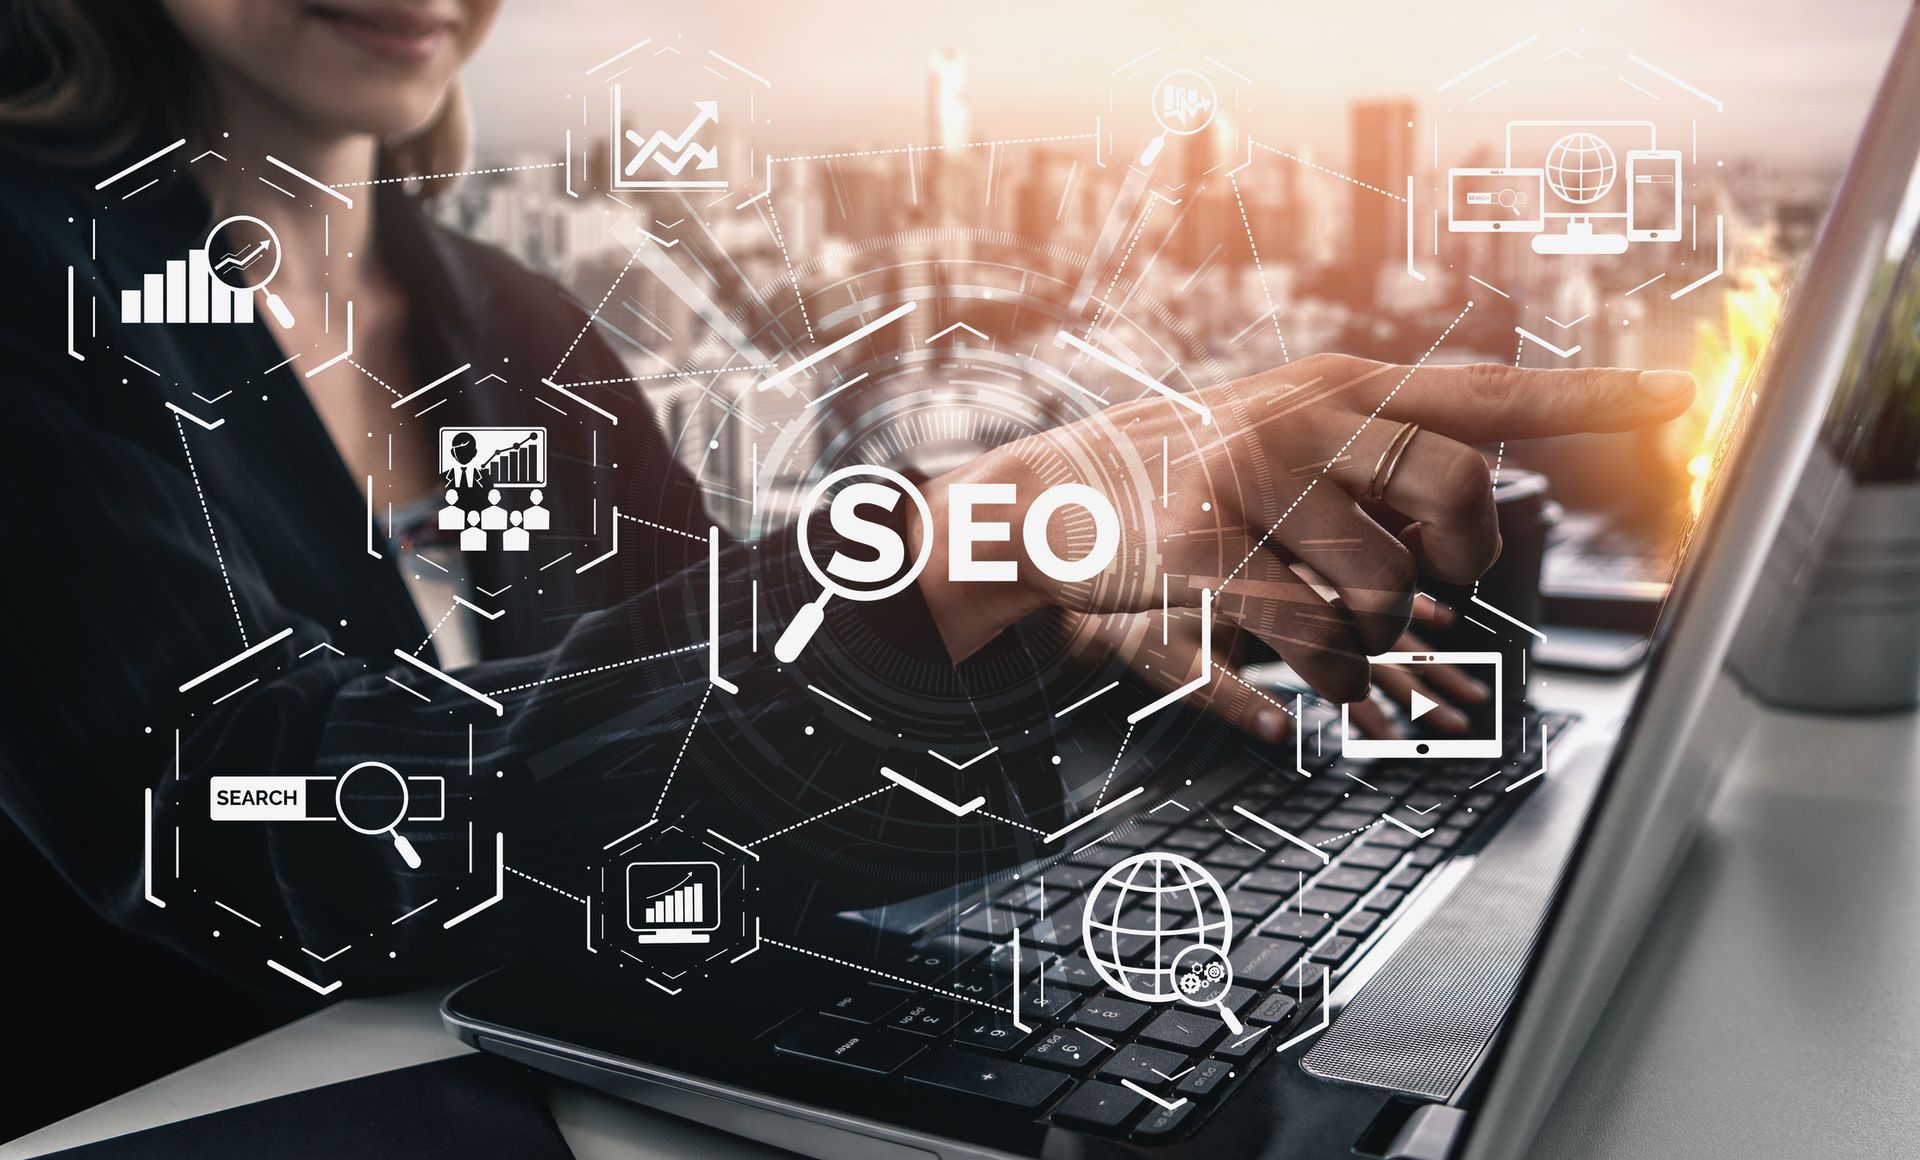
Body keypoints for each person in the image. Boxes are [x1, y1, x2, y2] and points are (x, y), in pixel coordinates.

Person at [0, 0, 1694, 993]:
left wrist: (1028, 625)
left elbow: (643, 695)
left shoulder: (496, 318)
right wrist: (982, 534)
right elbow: (263, 820)